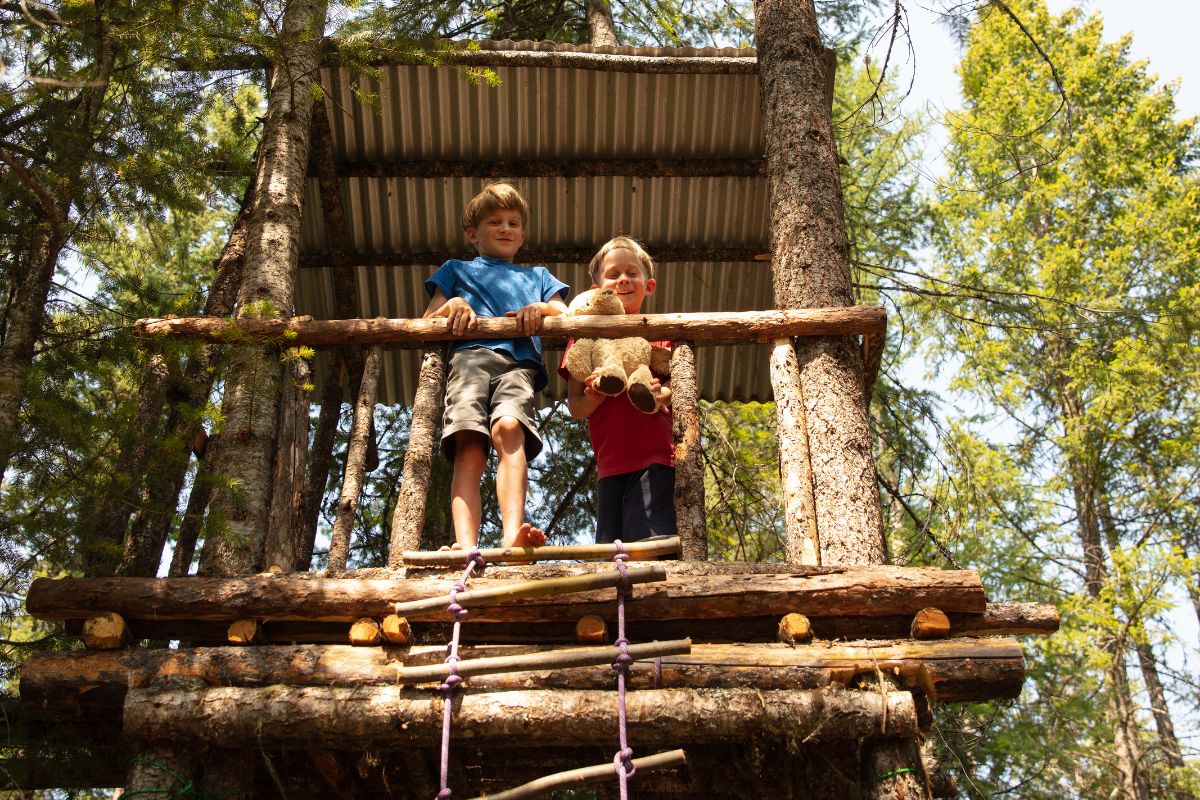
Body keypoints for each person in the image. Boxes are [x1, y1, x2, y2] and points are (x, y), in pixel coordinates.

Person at [423, 183, 569, 550]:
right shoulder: (455, 270)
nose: (506, 228)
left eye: (513, 223)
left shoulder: (537, 276)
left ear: (522, 237)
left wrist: (541, 308)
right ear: (473, 234)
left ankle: (511, 538)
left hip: (518, 364)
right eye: (495, 221)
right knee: (470, 446)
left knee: (508, 430)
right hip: (468, 361)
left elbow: (566, 313)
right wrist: (453, 303)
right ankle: (466, 544)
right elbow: (429, 316)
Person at [560, 236, 675, 544]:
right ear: (597, 290)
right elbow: (574, 407)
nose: (623, 279)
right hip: (610, 463)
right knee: (612, 549)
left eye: (632, 273)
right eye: (613, 274)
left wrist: (664, 394)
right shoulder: (584, 341)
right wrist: (593, 398)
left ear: (648, 286)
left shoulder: (661, 334)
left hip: (656, 456)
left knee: (653, 541)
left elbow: (680, 387)